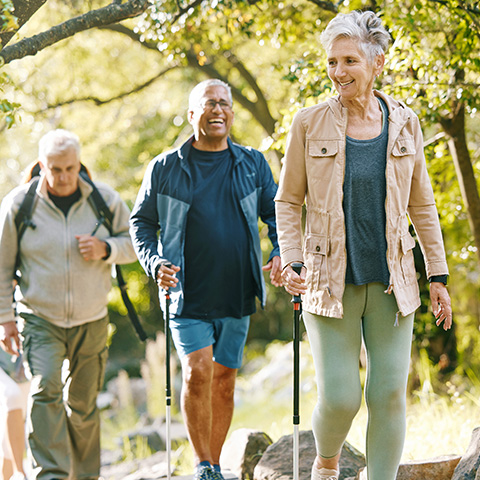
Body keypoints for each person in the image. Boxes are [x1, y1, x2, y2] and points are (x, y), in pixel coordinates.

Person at [275, 11, 452, 480]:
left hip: (394, 280)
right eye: (332, 61)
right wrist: (291, 258)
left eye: (349, 60)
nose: (338, 72)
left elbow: (424, 207)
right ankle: (327, 460)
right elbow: (288, 201)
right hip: (328, 281)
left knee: (388, 394)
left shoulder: (405, 124)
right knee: (341, 398)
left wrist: (438, 276)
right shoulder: (308, 123)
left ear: (377, 62)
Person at [130, 79, 282, 480]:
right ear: (192, 113)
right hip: (185, 294)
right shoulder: (165, 167)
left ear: (232, 113)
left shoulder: (252, 163)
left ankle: (215, 463)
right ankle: (203, 465)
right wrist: (153, 260)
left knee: (225, 379)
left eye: (225, 104)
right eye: (210, 103)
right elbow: (141, 223)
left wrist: (281, 251)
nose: (219, 110)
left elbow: (277, 213)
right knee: (198, 371)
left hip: (238, 290)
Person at [0, 129, 137, 480]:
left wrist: (106, 249)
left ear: (80, 164)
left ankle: (86, 475)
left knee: (83, 404)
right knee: (45, 389)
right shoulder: (19, 205)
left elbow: (135, 244)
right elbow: (1, 267)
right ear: (42, 165)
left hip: (91, 318)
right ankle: (51, 475)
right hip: (39, 317)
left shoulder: (104, 200)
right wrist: (5, 319)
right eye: (55, 169)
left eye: (70, 169)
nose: (63, 178)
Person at [0, 364, 29, 480]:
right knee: (12, 395)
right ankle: (20, 472)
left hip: (24, 369)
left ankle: (7, 477)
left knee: (9, 445)